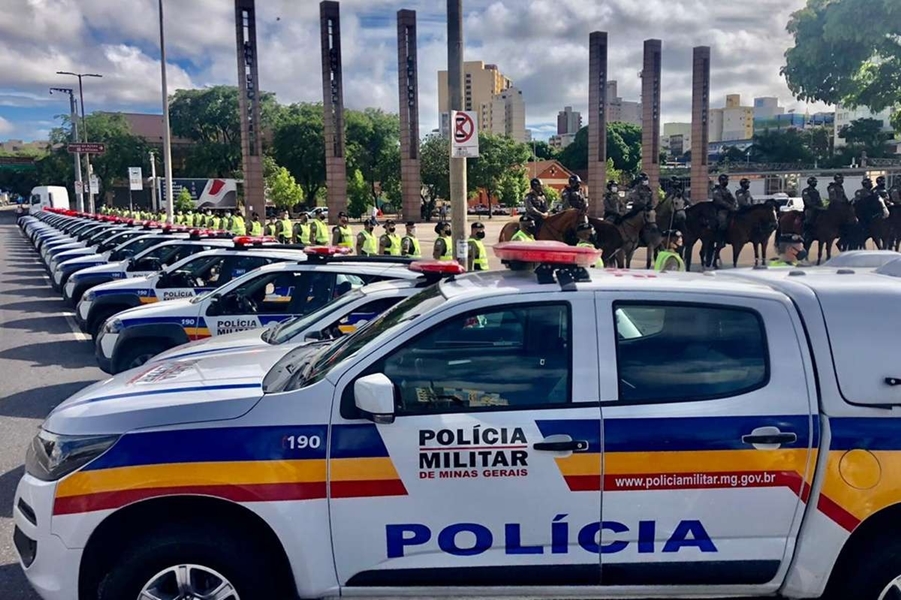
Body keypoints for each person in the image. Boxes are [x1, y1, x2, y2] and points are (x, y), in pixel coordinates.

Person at [711, 173, 736, 240]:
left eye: (727, 180)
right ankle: (720, 239)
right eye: (725, 180)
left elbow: (732, 198)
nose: (727, 182)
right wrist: (729, 206)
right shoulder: (716, 190)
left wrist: (734, 203)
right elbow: (719, 201)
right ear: (721, 181)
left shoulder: (726, 190)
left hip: (729, 209)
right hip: (720, 210)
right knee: (722, 223)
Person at [801, 176, 825, 244]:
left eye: (815, 182)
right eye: (813, 182)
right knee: (808, 219)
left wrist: (822, 207)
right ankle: (805, 233)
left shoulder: (816, 191)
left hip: (818, 208)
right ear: (809, 183)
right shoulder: (806, 191)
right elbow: (807, 201)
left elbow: (819, 200)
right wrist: (814, 206)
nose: (814, 183)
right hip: (809, 209)